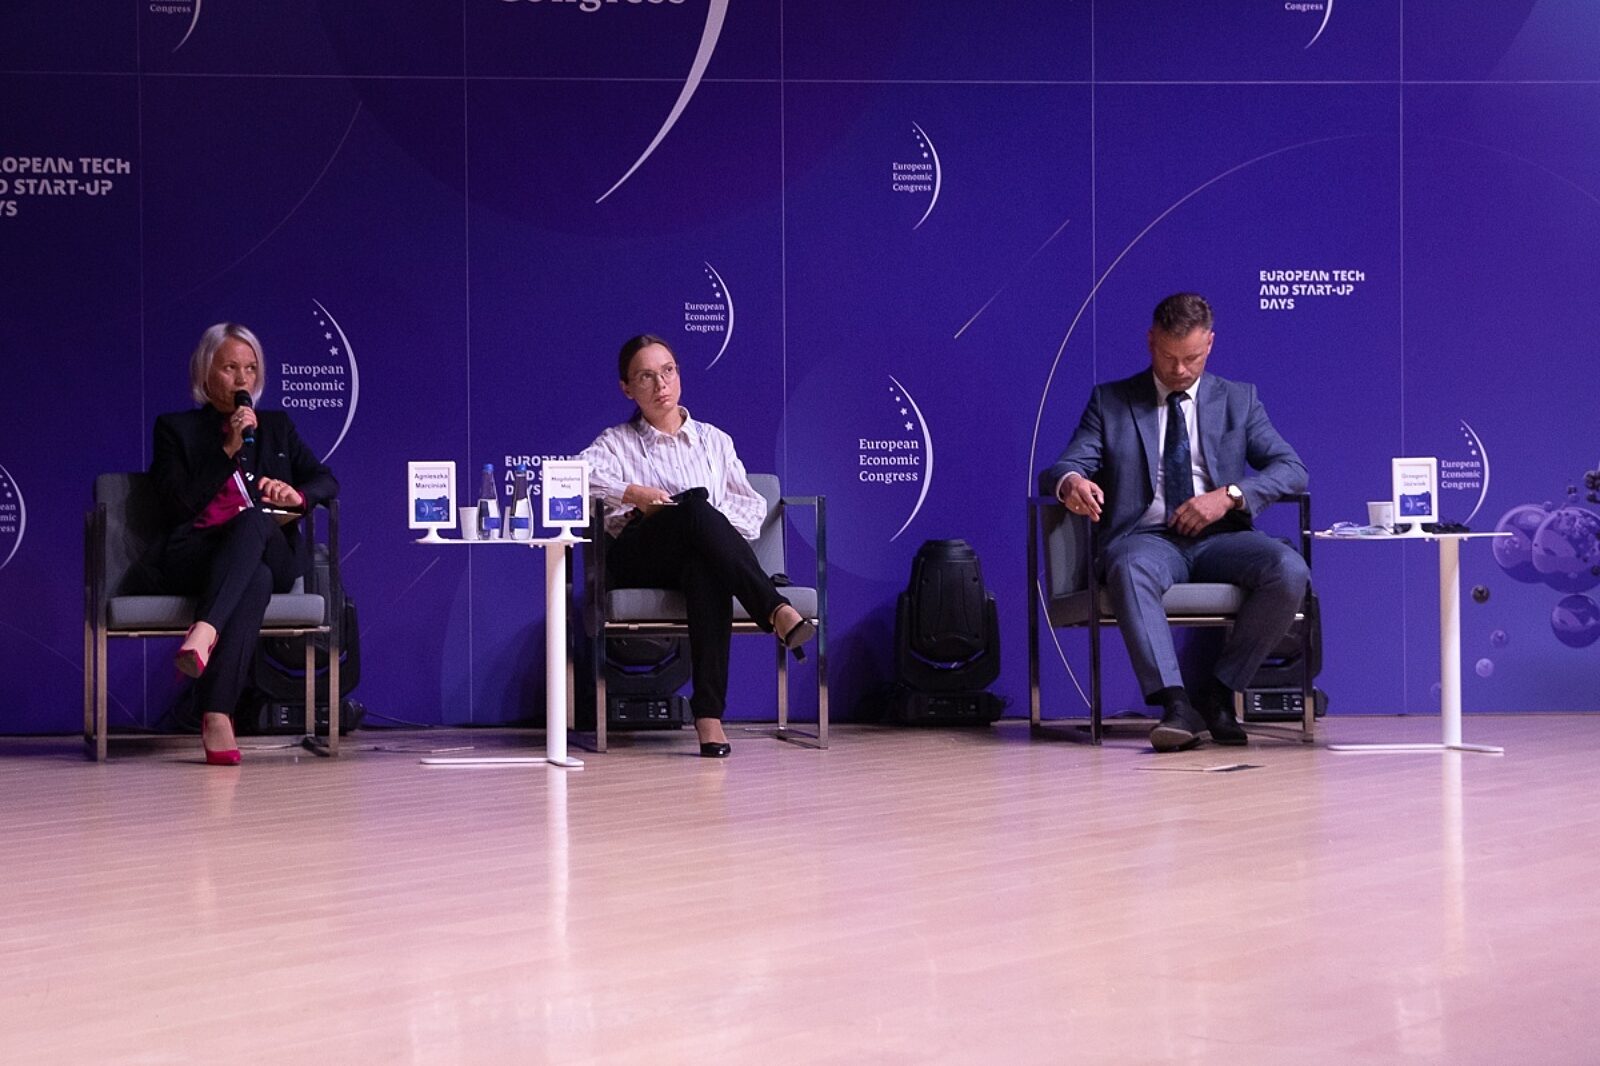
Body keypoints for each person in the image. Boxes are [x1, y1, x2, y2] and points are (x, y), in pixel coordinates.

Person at [1041, 293, 1309, 751]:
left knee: (1288, 570)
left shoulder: (1239, 400)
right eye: (1168, 357)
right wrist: (1072, 483)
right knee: (1129, 566)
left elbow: (1292, 469)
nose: (1180, 369)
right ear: (1151, 342)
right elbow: (1065, 465)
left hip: (1221, 538)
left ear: (1210, 344)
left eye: (1192, 358)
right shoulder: (1112, 401)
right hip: (1146, 538)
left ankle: (1218, 692)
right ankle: (1175, 704)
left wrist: (1229, 496)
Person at [580, 334, 815, 758]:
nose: (660, 384)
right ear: (627, 388)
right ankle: (774, 608)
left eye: (668, 371)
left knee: (704, 556)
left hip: (699, 555)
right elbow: (577, 478)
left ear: (678, 374)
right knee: (693, 508)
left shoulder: (714, 441)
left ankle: (709, 717)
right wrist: (633, 494)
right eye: (645, 377)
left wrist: (708, 528)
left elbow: (750, 508)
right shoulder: (615, 441)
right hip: (639, 554)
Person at [149, 323, 339, 765]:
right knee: (256, 580)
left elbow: (326, 479)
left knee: (255, 520)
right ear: (205, 372)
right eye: (230, 368)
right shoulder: (175, 429)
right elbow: (176, 505)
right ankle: (217, 714)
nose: (242, 379)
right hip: (197, 555)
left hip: (274, 547)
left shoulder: (277, 427)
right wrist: (227, 451)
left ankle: (205, 631)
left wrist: (297, 496)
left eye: (251, 369)